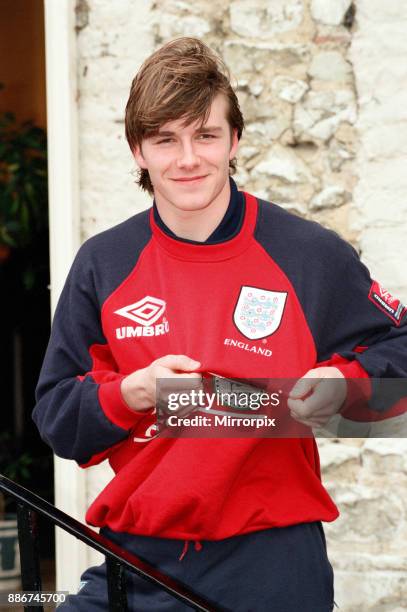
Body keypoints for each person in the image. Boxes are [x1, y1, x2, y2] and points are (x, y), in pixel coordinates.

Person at [33, 37, 407, 611]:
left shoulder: (307, 254)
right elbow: (58, 420)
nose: (188, 159)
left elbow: (399, 351)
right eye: (166, 140)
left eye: (205, 135)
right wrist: (130, 393)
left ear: (234, 140)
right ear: (138, 151)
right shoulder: (104, 263)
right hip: (137, 562)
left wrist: (344, 383)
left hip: (272, 563)